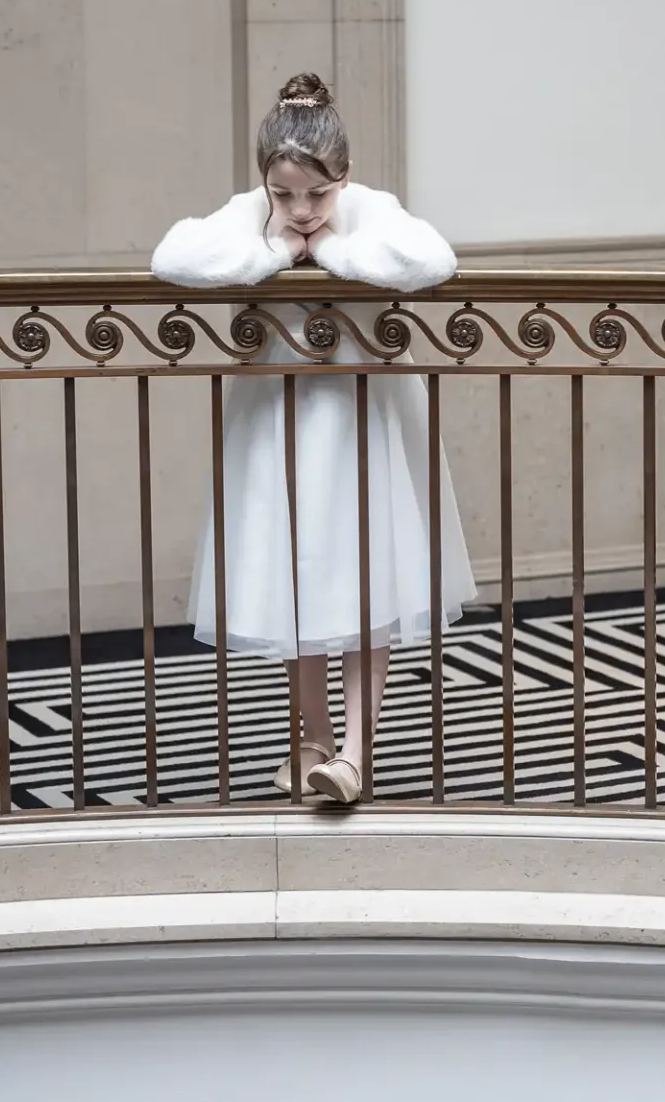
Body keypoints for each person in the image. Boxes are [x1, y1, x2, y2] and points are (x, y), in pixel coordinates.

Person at [151, 72, 476, 804]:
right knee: (293, 573)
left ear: (345, 176)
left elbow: (431, 260)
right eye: (285, 194)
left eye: (317, 195)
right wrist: (268, 251)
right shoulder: (252, 213)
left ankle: (357, 753)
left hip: (362, 417)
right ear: (266, 181)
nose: (300, 210)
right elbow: (173, 258)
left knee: (368, 574)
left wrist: (330, 251)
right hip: (276, 420)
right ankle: (314, 738)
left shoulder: (369, 209)